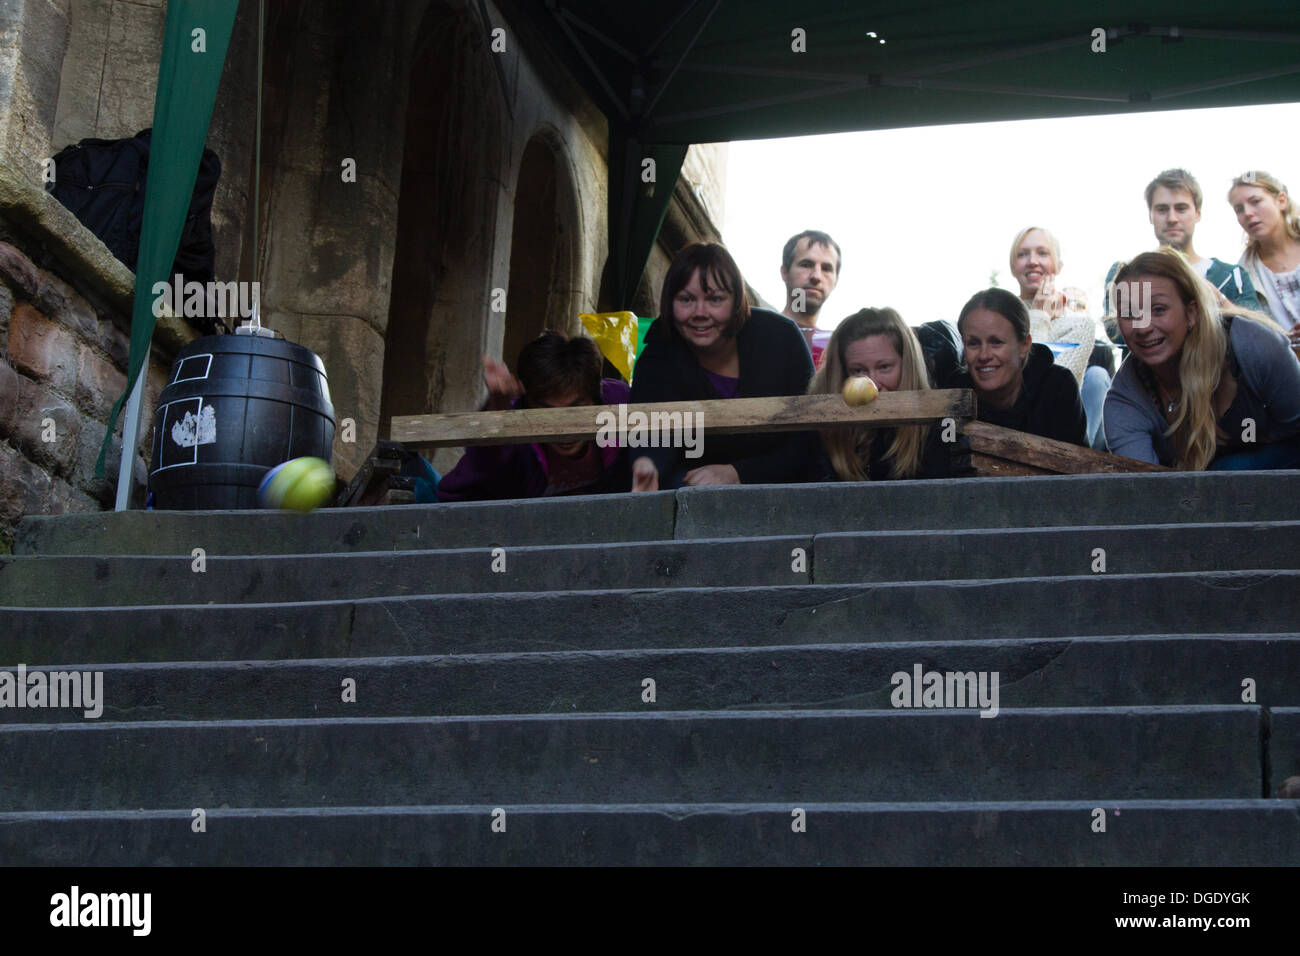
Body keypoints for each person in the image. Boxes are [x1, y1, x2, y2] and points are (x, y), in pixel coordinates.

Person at [629, 241, 815, 490]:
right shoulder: (658, 356)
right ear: (669, 303)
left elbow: (810, 436)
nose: (700, 312)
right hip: (692, 487)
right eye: (686, 299)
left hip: (784, 486)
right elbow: (651, 427)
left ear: (736, 300)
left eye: (715, 299)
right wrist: (647, 463)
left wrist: (739, 473)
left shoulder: (782, 339)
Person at [1104, 249, 1300, 470]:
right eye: (1129, 314)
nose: (1143, 327)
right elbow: (1145, 491)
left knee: (1229, 469)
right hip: (1197, 498)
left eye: (1158, 310)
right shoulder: (1125, 399)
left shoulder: (1255, 347)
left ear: (1192, 312)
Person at [436, 332, 631, 500]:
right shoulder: (513, 420)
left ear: (595, 400)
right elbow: (483, 462)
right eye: (548, 412)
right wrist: (497, 410)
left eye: (576, 409)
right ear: (527, 402)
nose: (563, 430)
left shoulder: (618, 401)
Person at [806, 308, 973, 481]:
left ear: (906, 365)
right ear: (842, 375)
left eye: (884, 367)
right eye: (858, 371)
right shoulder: (824, 436)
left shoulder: (938, 430)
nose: (873, 384)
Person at [1104, 169, 1261, 312]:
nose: (1172, 218)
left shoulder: (1233, 277)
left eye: (1181, 208)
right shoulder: (1125, 274)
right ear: (1150, 216)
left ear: (1197, 214)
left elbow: (1257, 332)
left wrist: (1218, 300)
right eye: (1162, 209)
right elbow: (1119, 333)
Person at [945, 287, 1088, 446]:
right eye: (973, 343)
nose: (984, 355)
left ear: (1024, 345)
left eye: (996, 342)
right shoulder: (954, 394)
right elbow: (942, 462)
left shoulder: (1057, 387)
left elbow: (1078, 464)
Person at [1008, 226, 1109, 448]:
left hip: (1061, 440)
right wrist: (1037, 314)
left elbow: (1046, 391)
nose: (1033, 261)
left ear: (1058, 265)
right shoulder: (999, 319)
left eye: (1042, 253)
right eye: (1023, 254)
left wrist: (1038, 315)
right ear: (1013, 266)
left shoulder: (1079, 325)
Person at [1228, 170, 1300, 339]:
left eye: (1256, 201)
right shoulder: (1242, 275)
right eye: (1239, 209)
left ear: (1281, 201)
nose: (1248, 213)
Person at [779, 230, 841, 366]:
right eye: (806, 265)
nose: (816, 276)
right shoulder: (760, 331)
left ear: (836, 280)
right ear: (785, 272)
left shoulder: (839, 348)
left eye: (826, 268)